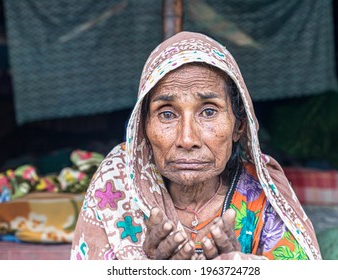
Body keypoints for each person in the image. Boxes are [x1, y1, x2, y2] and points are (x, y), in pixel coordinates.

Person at [70, 31, 321, 260]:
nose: (187, 139)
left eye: (209, 112)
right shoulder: (115, 186)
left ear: (239, 126)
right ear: (143, 127)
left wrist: (242, 267)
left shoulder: (264, 196)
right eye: (167, 114)